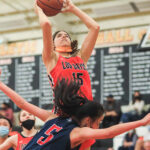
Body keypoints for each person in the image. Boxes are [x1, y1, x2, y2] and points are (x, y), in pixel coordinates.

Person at [0, 75, 150, 150]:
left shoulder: (52, 117)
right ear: (87, 120)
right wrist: (142, 122)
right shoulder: (78, 133)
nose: (98, 126)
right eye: (98, 122)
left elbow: (22, 103)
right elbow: (108, 133)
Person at [34, 0, 100, 101]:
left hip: (86, 109)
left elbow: (95, 27)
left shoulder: (80, 57)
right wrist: (39, 10)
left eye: (66, 35)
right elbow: (46, 24)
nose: (64, 36)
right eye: (59, 36)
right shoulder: (51, 58)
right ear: (53, 44)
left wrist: (73, 9)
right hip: (65, 110)